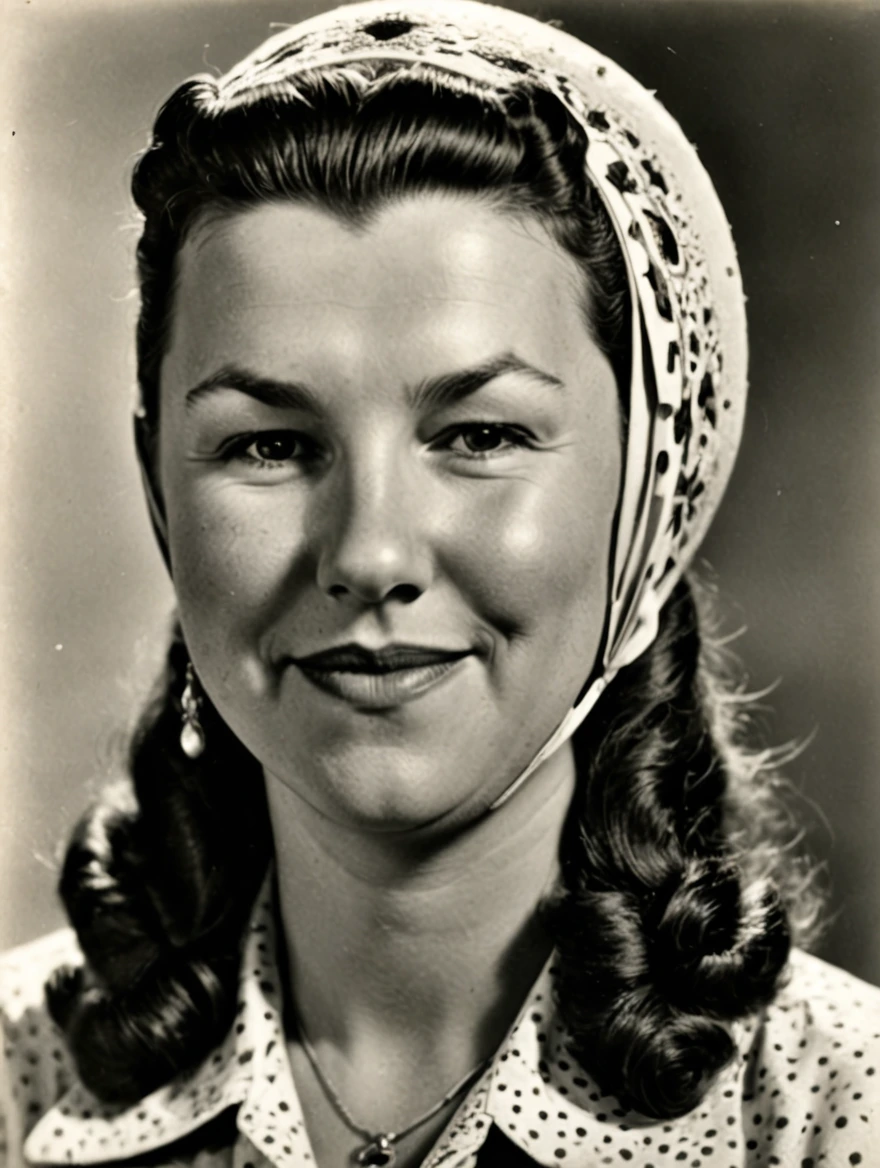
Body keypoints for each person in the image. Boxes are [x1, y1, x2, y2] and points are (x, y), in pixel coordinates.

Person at [1, 1, 878, 1165]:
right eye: (268, 443)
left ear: (646, 493)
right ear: (163, 492)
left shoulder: (836, 1112)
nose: (368, 554)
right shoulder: (22, 1080)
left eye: (477, 434)